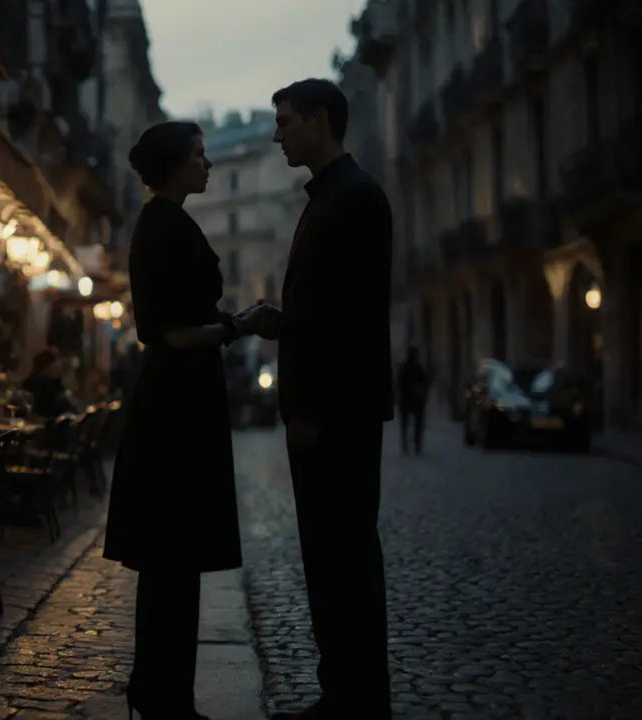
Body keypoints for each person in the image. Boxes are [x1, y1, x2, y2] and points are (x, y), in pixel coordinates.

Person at [102, 121, 270, 720]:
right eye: (200, 155)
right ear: (176, 164)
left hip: (181, 401)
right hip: (175, 407)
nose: (209, 164)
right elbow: (174, 332)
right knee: (172, 557)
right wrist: (239, 325)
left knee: (173, 560)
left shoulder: (165, 223)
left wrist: (231, 323)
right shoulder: (164, 228)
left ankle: (163, 688)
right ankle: (163, 693)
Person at [238, 79, 394, 719]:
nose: (276, 134)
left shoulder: (352, 199)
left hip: (336, 417)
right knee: (331, 559)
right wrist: (286, 317)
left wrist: (309, 413)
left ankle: (355, 700)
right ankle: (347, 693)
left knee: (343, 560)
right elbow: (326, 310)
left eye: (285, 121)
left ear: (320, 120)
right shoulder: (332, 197)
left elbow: (349, 323)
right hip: (334, 412)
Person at [21, 347, 77, 419]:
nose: (59, 365)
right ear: (46, 367)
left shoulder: (57, 384)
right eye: (55, 362)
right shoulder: (35, 383)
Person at [397, 346, 430, 455]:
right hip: (416, 400)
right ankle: (417, 446)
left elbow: (399, 383)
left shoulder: (404, 367)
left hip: (406, 399)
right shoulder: (418, 368)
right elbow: (424, 383)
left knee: (405, 425)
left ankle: (405, 447)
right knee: (417, 424)